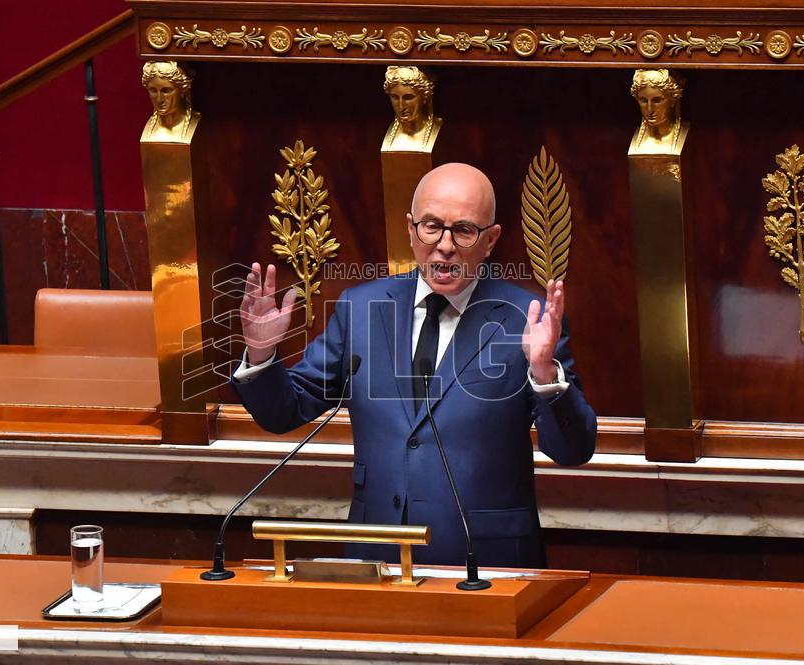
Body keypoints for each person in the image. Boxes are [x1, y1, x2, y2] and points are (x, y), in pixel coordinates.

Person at [233, 163, 596, 567]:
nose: (445, 245)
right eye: (431, 226)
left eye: (464, 230)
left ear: (491, 240)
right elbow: (284, 411)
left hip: (487, 563)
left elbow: (573, 450)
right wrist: (261, 355)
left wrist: (544, 374)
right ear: (410, 229)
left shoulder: (525, 318)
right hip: (377, 557)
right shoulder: (362, 308)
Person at [381, 66, 441, 152]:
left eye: (408, 97)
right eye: (395, 97)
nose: (401, 106)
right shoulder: (385, 132)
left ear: (424, 96)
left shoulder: (437, 127)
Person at [629, 69, 686, 155]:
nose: (650, 109)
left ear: (673, 100)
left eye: (657, 101)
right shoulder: (634, 138)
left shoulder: (686, 133)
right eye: (643, 100)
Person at [140, 61, 195, 143]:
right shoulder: (149, 130)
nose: (159, 99)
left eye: (166, 91)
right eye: (153, 90)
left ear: (182, 90)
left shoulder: (195, 123)